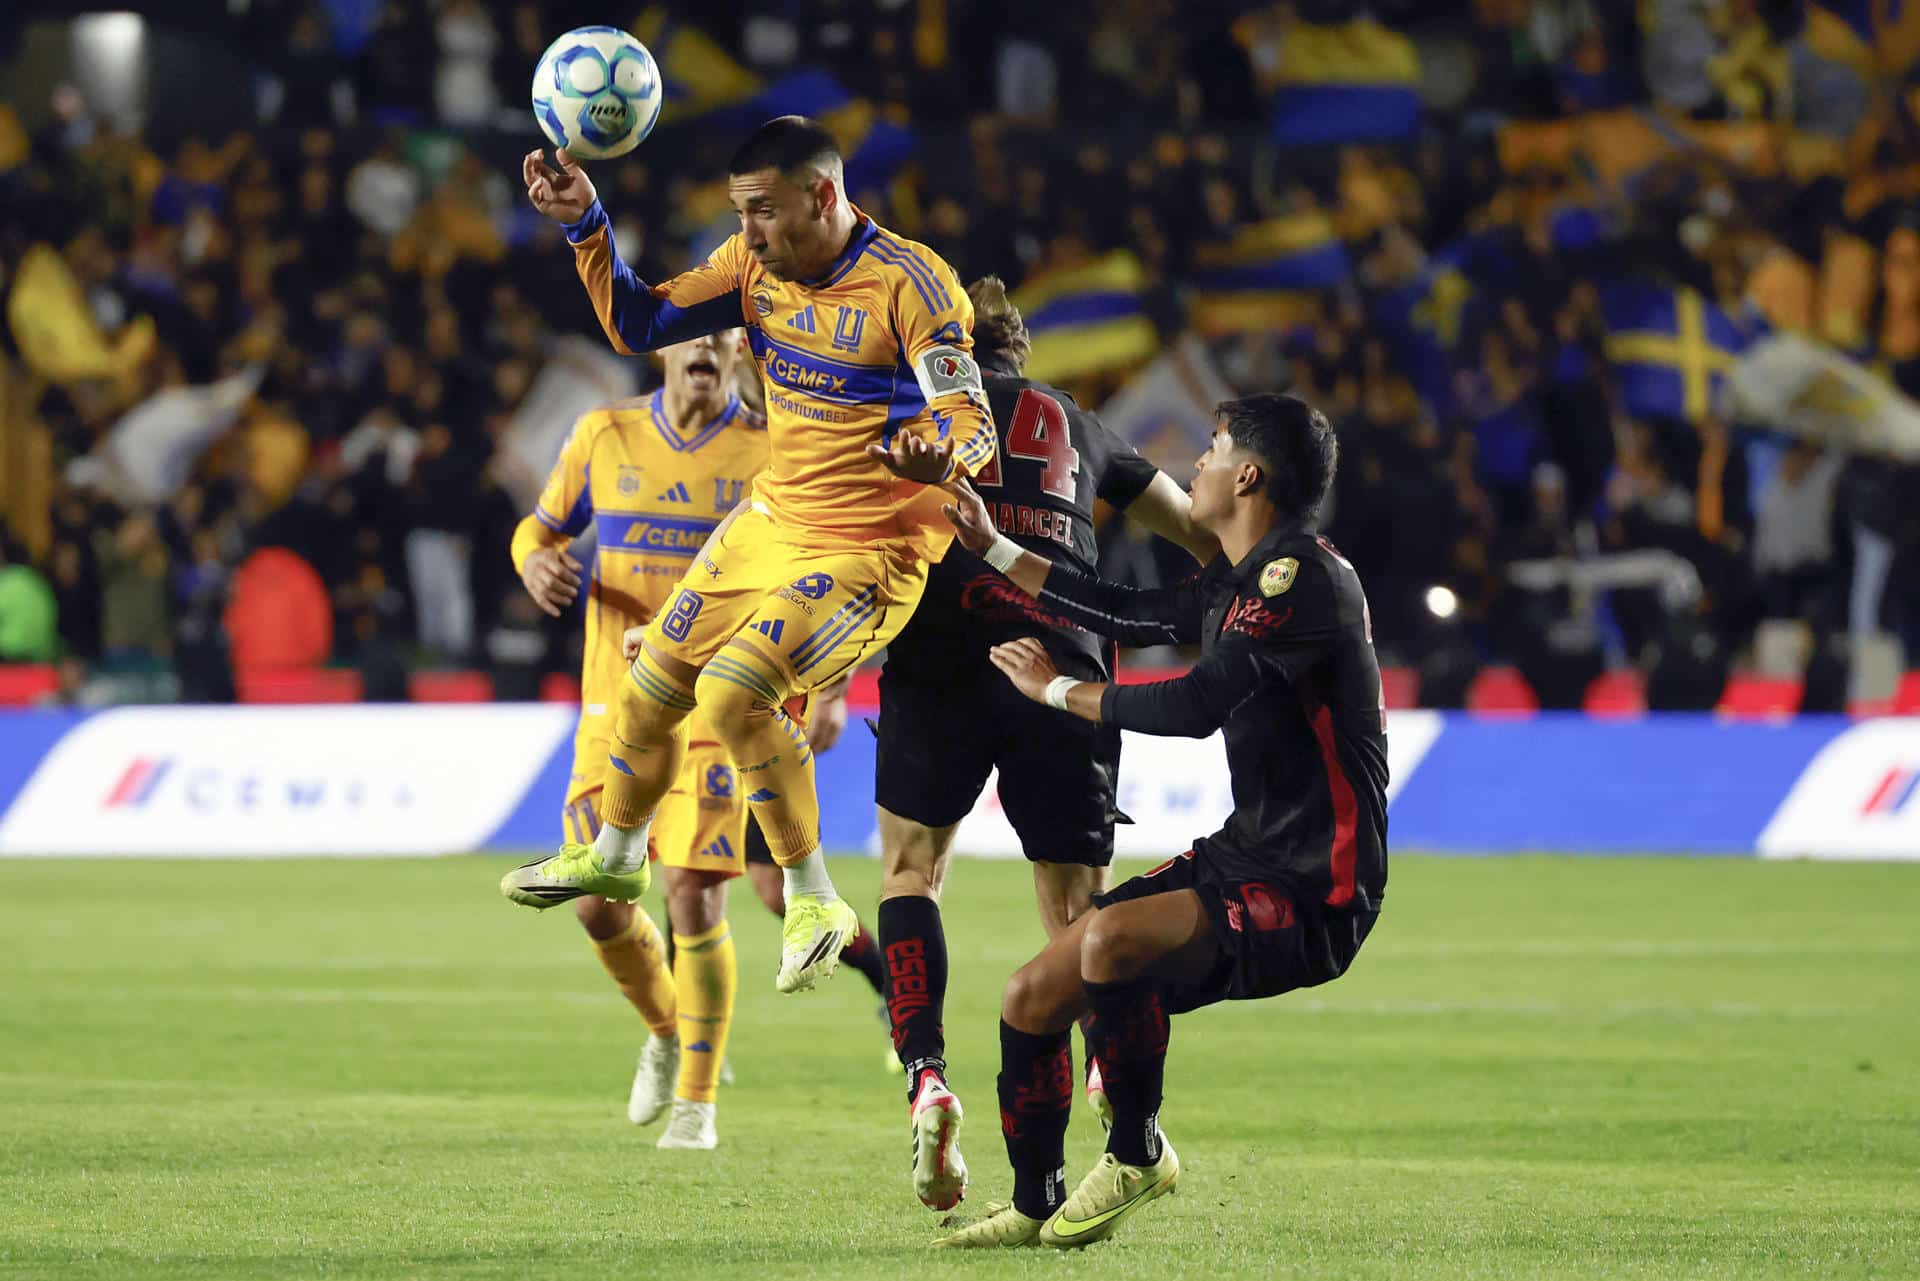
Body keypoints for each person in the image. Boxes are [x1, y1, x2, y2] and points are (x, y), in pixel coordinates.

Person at [504, 115, 998, 998]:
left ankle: (815, 900)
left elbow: (973, 426)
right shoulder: (749, 268)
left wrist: (939, 455)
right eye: (739, 214)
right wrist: (588, 223)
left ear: (823, 195)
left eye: (763, 211)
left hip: (869, 548)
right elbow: (641, 321)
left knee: (733, 693)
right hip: (771, 520)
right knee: (654, 679)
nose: (748, 234)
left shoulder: (913, 284)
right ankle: (617, 856)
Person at [931, 393, 1389, 1249]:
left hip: (1316, 883)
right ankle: (1035, 1201)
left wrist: (1059, 691)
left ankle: (1138, 1152)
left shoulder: (1306, 580)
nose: (1198, 465)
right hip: (1244, 855)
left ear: (1248, 474)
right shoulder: (1236, 578)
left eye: (1213, 449)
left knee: (1111, 945)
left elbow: (1198, 703)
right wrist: (991, 545)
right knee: (1032, 993)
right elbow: (1114, 610)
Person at [872, 275, 1216, 1211]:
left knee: (911, 872)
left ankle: (928, 1076)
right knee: (1076, 914)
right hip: (1061, 660)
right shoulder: (1079, 424)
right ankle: (1108, 1061)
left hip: (937, 651)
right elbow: (1192, 525)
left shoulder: (912, 411)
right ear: (1021, 352)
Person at [509, 328, 846, 1149]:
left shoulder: (772, 450)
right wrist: (532, 561)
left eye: (727, 335)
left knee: (694, 890)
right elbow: (538, 530)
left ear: (741, 356)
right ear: (661, 352)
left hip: (715, 697)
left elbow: (831, 563)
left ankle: (697, 1103)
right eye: (692, 335)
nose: (709, 346)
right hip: (612, 696)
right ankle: (666, 1027)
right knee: (597, 903)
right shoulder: (603, 434)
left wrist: (830, 685)